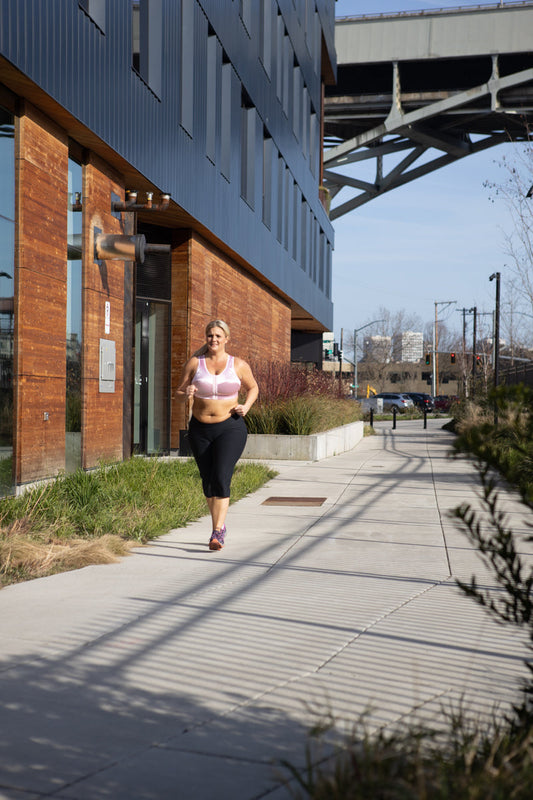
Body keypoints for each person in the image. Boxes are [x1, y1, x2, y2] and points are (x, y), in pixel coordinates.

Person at [176, 320, 259, 551]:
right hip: (200, 429)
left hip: (230, 427)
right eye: (210, 335)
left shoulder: (238, 364)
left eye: (218, 336)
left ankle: (217, 531)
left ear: (226, 339)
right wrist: (187, 392)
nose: (213, 339)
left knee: (221, 476)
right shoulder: (195, 363)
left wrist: (247, 406)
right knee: (208, 479)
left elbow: (253, 387)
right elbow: (178, 394)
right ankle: (218, 528)